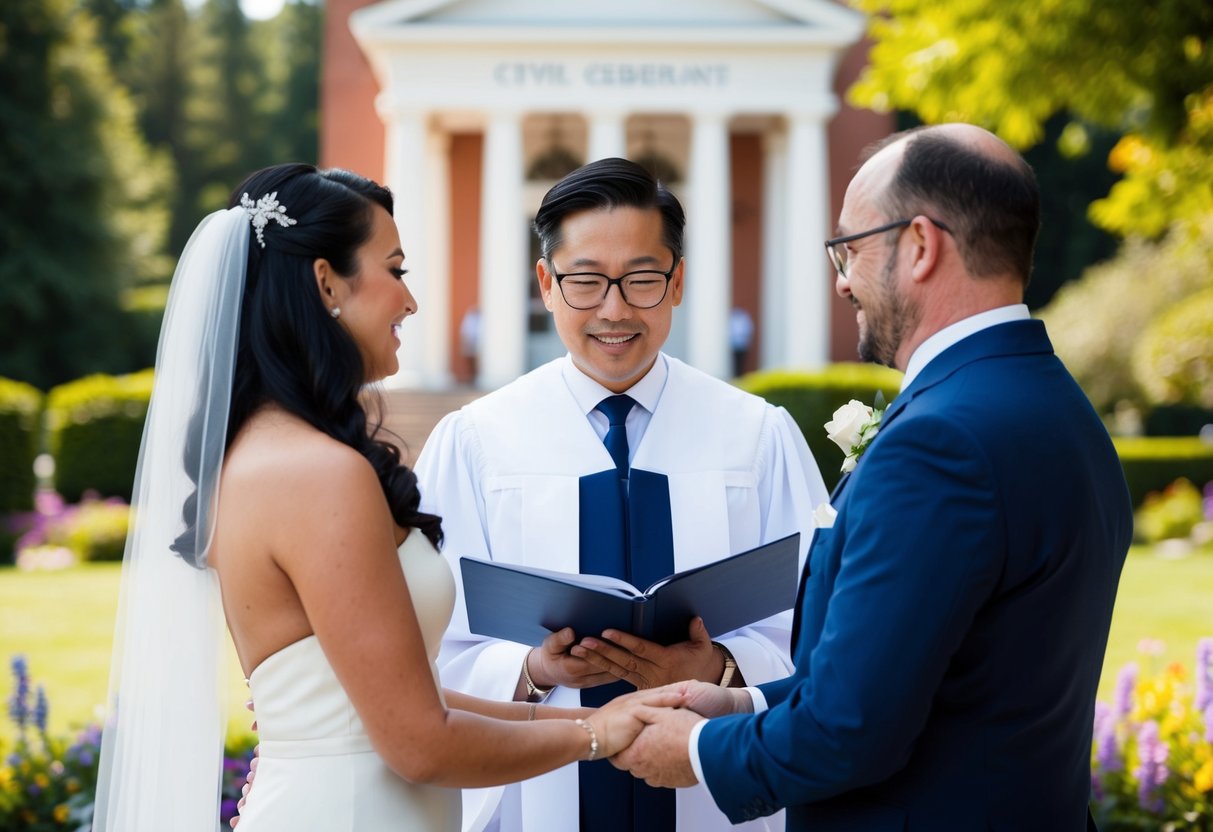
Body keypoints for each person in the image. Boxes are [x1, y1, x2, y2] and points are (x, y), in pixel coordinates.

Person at [91, 163, 681, 832]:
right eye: (395, 269)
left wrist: (597, 715)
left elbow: (399, 701)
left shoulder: (261, 451)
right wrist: (598, 735)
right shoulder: (317, 474)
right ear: (325, 282)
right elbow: (419, 743)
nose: (410, 301)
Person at [612, 123, 1134, 830]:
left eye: (849, 249)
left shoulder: (939, 441)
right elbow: (943, 680)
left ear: (919, 246)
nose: (839, 280)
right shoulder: (1056, 408)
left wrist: (699, 750)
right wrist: (740, 704)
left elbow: (848, 731)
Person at [415, 157, 828, 832]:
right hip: (539, 795)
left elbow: (816, 635)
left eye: (640, 280)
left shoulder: (755, 435)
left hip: (709, 795)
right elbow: (428, 653)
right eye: (584, 282)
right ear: (546, 284)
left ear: (677, 283)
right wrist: (533, 667)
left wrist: (720, 667)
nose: (613, 310)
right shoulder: (477, 440)